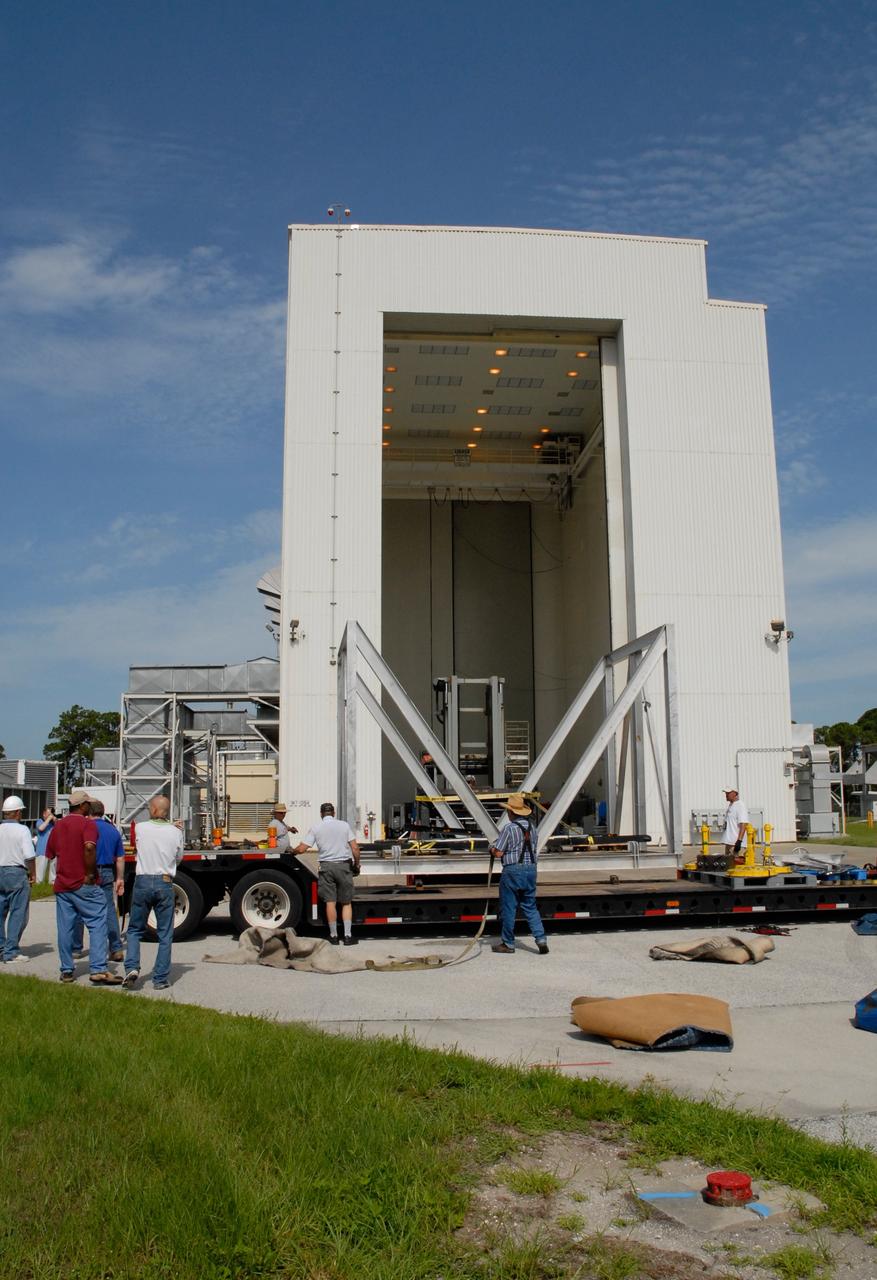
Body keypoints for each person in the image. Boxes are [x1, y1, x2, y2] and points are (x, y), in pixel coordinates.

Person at [46, 788, 121, 985]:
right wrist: (89, 873)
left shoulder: (59, 826)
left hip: (63, 884)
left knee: (65, 927)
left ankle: (67, 969)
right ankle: (98, 969)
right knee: (97, 922)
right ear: (81, 806)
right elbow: (89, 847)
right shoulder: (87, 824)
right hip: (83, 882)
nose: (89, 806)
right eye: (87, 803)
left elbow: (51, 854)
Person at [123, 794, 184, 990]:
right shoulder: (176, 832)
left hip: (142, 880)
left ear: (154, 810)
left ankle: (132, 967)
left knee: (134, 929)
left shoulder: (140, 827)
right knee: (165, 933)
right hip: (164, 881)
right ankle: (160, 979)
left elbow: (134, 845)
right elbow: (179, 858)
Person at [293, 803, 361, 945]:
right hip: (343, 866)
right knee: (346, 902)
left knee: (330, 902)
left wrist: (291, 851)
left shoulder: (316, 827)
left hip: (326, 868)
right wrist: (356, 864)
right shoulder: (344, 826)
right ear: (334, 812)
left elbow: (302, 849)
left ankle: (333, 936)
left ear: (321, 813)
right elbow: (355, 848)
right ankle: (348, 936)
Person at [490, 793, 549, 956]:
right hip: (531, 869)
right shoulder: (533, 829)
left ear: (510, 813)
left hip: (513, 870)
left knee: (509, 907)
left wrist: (491, 848)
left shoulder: (509, 828)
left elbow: (499, 853)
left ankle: (508, 943)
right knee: (530, 906)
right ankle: (541, 939)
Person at [70, 800, 125, 962]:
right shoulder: (113, 831)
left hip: (86, 871)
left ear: (88, 811)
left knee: (80, 908)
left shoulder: (85, 828)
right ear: (103, 812)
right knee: (108, 909)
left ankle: (76, 947)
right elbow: (120, 857)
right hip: (107, 870)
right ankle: (115, 947)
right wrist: (120, 878)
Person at [0, 796, 36, 964]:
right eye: (20, 811)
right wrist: (33, 873)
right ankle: (11, 951)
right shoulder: (23, 830)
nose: (21, 814)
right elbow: (29, 855)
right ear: (15, 813)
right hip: (16, 871)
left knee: (0, 913)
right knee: (18, 912)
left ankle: (1, 948)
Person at [722, 788, 750, 857]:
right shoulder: (731, 805)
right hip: (729, 843)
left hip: (735, 845)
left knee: (736, 866)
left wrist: (739, 842)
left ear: (735, 793)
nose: (726, 795)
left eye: (728, 793)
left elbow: (743, 824)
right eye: (726, 793)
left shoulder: (740, 805)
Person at [33, 807, 58, 884]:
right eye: (49, 813)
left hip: (53, 850)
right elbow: (41, 828)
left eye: (51, 813)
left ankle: (52, 883)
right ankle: (39, 884)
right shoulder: (39, 821)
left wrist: (55, 820)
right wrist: (49, 819)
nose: (50, 815)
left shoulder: (53, 823)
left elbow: (60, 828)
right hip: (42, 850)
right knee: (40, 871)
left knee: (53, 869)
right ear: (44, 814)